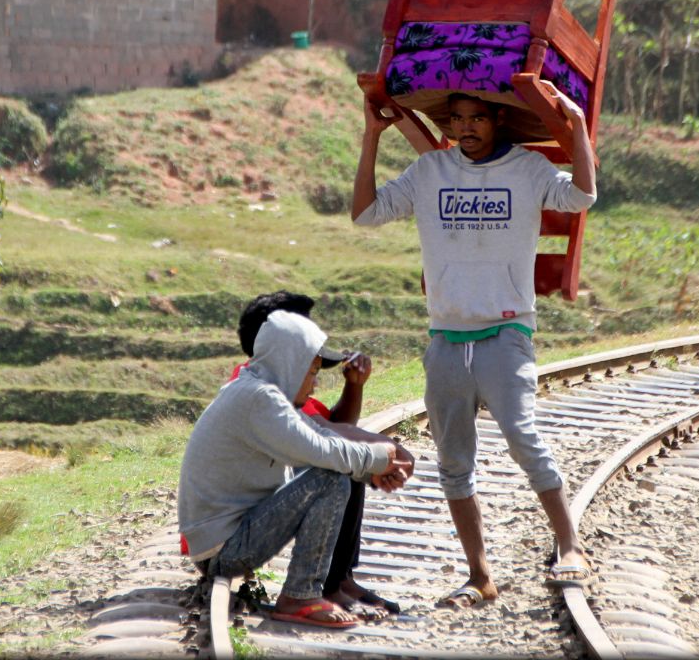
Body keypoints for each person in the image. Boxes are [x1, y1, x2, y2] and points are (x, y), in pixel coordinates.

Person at [351, 86, 597, 607]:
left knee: (523, 438)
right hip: (445, 338)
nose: (467, 128)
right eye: (458, 118)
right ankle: (479, 577)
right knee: (453, 462)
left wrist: (576, 125)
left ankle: (571, 546)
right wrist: (372, 135)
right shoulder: (430, 172)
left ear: (498, 121)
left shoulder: (528, 170)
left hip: (506, 334)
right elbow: (365, 213)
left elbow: (581, 197)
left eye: (478, 118)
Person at [177, 310, 415, 629]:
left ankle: (327, 586)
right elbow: (320, 450)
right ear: (290, 364)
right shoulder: (260, 399)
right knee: (330, 478)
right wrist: (379, 458)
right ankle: (300, 595)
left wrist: (372, 468)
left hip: (227, 540)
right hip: (222, 550)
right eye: (312, 371)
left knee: (338, 469)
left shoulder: (263, 392)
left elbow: (321, 437)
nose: (315, 383)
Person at [231, 291, 401, 619]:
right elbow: (330, 437)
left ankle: (342, 579)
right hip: (243, 524)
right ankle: (331, 585)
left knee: (348, 461)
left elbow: (330, 427)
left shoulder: (266, 379)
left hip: (252, 512)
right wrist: (384, 456)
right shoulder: (267, 390)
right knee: (340, 468)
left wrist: (354, 386)